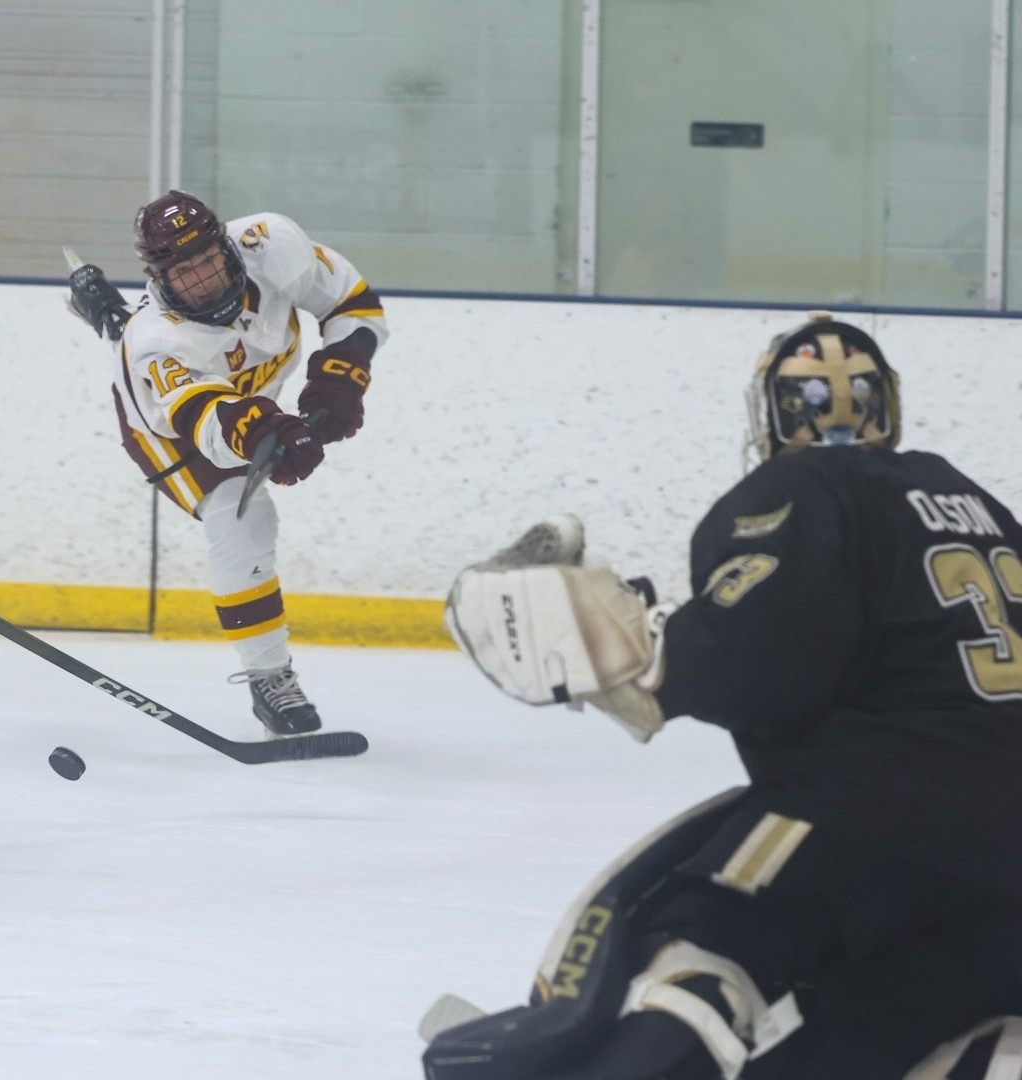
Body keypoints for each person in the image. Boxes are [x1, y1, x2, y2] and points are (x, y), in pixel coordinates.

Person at [432, 313, 1022, 1078]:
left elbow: (766, 663)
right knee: (890, 1020)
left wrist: (651, 658)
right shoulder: (975, 503)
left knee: (698, 933)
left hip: (870, 816)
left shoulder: (801, 485)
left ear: (774, 412)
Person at [65, 191, 388, 735]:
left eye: (208, 260)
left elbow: (351, 301)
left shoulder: (271, 243)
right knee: (242, 517)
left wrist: (343, 370)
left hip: (245, 398)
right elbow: (207, 422)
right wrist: (262, 432)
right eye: (184, 272)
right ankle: (269, 678)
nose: (203, 280)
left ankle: (106, 314)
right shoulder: (156, 342)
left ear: (227, 245)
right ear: (159, 278)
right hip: (168, 430)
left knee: (249, 492)